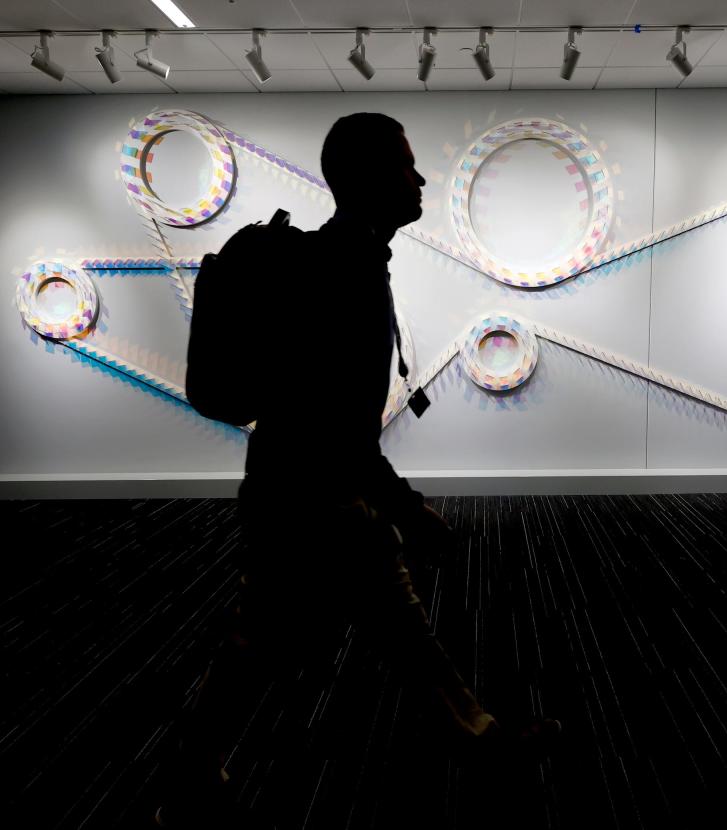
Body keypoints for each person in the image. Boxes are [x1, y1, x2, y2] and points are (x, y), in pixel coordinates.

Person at [155, 114, 557, 828]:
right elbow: (337, 427)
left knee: (380, 625)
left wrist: (395, 507)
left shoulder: (357, 261)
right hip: (307, 500)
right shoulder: (344, 275)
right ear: (371, 178)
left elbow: (334, 423)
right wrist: (406, 508)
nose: (421, 178)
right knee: (265, 643)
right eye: (407, 165)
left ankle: (481, 738)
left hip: (305, 490)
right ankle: (185, 787)